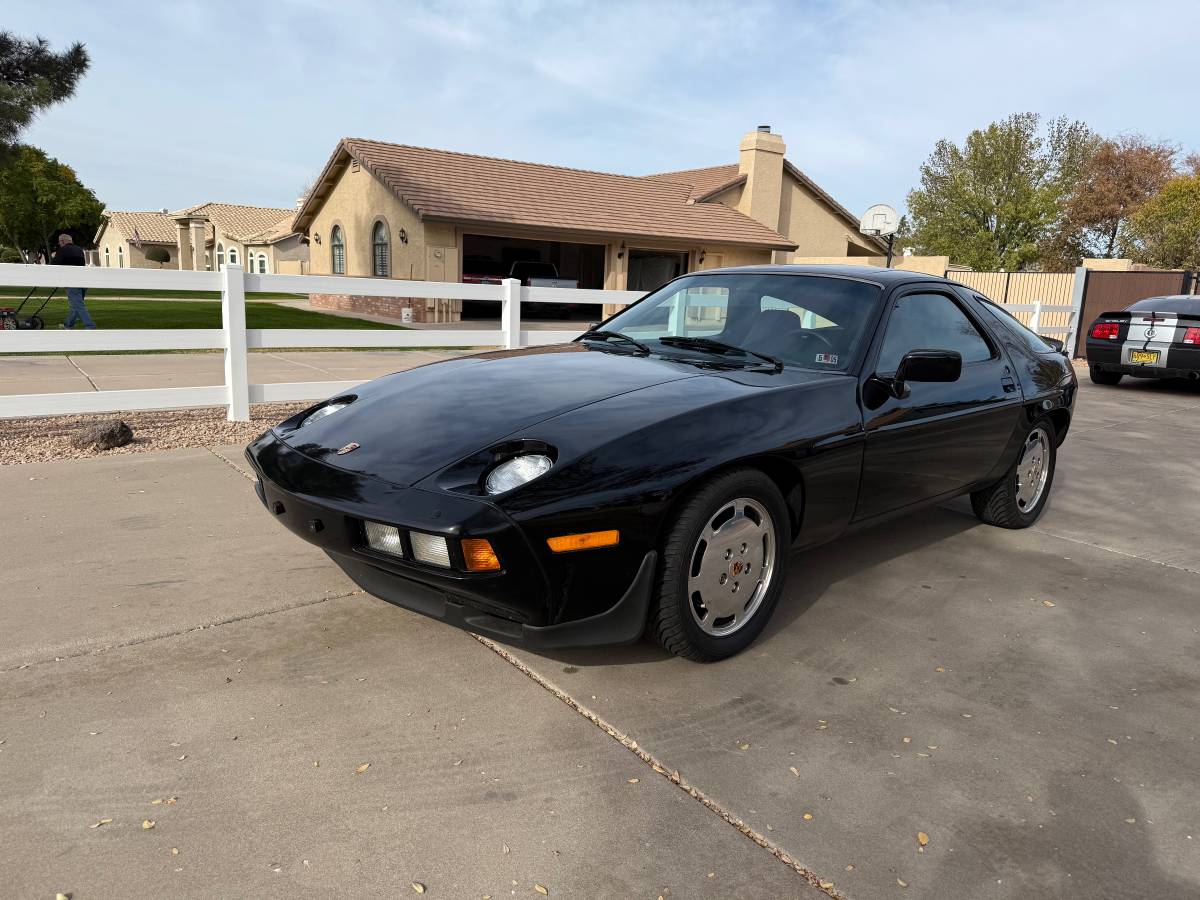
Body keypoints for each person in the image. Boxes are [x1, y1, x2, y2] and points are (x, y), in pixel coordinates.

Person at [52, 233, 96, 329]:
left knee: (78, 305)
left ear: (62, 241)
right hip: (83, 281)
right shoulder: (79, 250)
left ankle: (90, 325)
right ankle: (68, 324)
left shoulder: (62, 251)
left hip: (72, 281)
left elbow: (55, 265)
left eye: (59, 242)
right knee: (75, 305)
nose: (59, 244)